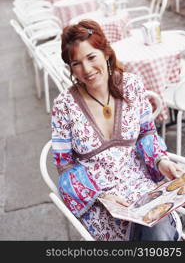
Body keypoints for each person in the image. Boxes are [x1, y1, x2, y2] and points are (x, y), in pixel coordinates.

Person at [51, 19, 183, 241]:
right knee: (157, 235)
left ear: (106, 53)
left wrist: (161, 161)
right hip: (100, 200)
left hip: (140, 184)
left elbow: (146, 133)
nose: (87, 70)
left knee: (158, 229)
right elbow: (65, 166)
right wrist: (101, 196)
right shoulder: (64, 106)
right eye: (76, 63)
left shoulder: (132, 85)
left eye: (91, 57)